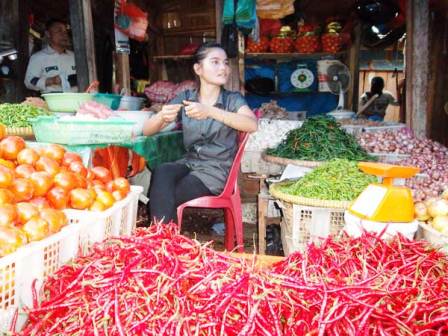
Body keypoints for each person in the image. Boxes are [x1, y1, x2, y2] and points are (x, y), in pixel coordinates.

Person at [143, 42, 258, 223]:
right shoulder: (186, 98)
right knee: (162, 171)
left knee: (167, 195)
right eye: (215, 62)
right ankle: (164, 241)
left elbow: (252, 124)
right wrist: (161, 116)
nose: (223, 68)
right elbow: (147, 130)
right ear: (198, 68)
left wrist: (210, 111)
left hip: (216, 171)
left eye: (226, 63)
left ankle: (162, 241)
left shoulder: (232, 99)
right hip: (190, 163)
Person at [24, 19, 77, 93]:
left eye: (65, 32)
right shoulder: (38, 57)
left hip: (76, 99)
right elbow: (29, 82)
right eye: (59, 31)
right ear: (48, 34)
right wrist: (52, 80)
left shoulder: (75, 57)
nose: (64, 34)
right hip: (51, 100)